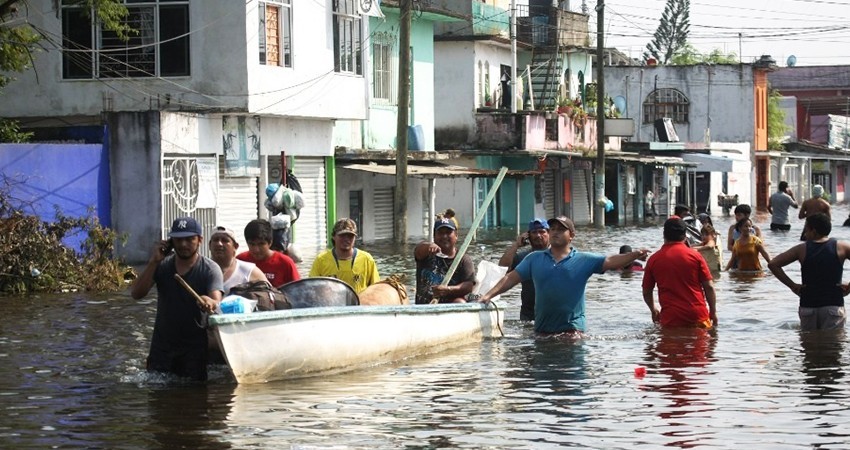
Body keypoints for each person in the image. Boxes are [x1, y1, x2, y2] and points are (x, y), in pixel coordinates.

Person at [478, 216, 649, 335]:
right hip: (542, 331)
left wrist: (634, 255)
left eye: (561, 229)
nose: (555, 232)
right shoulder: (534, 258)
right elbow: (510, 278)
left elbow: (611, 260)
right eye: (552, 229)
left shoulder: (584, 259)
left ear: (572, 236)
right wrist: (488, 295)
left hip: (572, 333)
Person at [130, 217, 224, 381]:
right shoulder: (162, 265)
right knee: (159, 400)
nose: (183, 244)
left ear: (200, 240)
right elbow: (137, 294)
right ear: (170, 241)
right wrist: (154, 261)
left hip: (194, 350)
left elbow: (216, 302)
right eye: (179, 239)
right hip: (162, 347)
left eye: (189, 239)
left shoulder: (210, 269)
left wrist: (209, 301)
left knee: (191, 400)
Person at [769, 213, 850, 331]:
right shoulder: (841, 247)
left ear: (814, 231)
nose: (805, 234)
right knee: (833, 345)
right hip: (833, 305)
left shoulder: (801, 249)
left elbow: (773, 264)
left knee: (808, 346)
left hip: (808, 305)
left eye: (806, 229)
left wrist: (792, 286)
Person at [642, 217, 717, 328]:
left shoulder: (654, 259)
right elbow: (709, 287)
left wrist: (653, 309)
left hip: (671, 318)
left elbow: (646, 291)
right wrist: (713, 312)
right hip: (697, 315)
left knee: (671, 343)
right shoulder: (695, 256)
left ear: (664, 235)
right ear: (685, 235)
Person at [497, 218, 551, 321]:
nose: (538, 235)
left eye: (542, 231)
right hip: (529, 313)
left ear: (549, 234)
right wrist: (516, 245)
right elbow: (502, 268)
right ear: (528, 236)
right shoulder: (524, 257)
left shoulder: (557, 255)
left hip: (552, 312)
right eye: (534, 232)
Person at [309, 218, 380, 294]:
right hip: (332, 304)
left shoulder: (366, 259)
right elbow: (311, 289)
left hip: (360, 304)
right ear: (333, 236)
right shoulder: (321, 260)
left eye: (350, 236)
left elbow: (376, 289)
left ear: (355, 238)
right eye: (342, 236)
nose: (346, 239)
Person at [414, 218, 476, 304]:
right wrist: (429, 245)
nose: (444, 236)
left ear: (456, 235)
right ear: (434, 236)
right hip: (424, 307)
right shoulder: (426, 254)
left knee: (460, 302)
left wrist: (448, 290)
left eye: (448, 232)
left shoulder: (463, 259)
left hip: (450, 305)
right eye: (440, 233)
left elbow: (468, 286)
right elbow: (418, 250)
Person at [237, 219, 300, 288]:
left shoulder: (285, 263)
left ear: (270, 243)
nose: (256, 250)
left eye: (261, 244)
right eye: (252, 244)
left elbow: (297, 290)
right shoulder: (240, 261)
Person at [208, 225, 266, 293]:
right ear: (209, 245)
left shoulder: (248, 271)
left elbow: (270, 297)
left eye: (225, 240)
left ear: (235, 246)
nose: (219, 244)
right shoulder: (201, 269)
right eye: (215, 240)